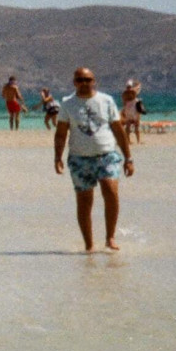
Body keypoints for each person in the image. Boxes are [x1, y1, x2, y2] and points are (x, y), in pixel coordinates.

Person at [53, 68, 133, 252]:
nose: (84, 83)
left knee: (111, 192)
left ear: (94, 81)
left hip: (107, 155)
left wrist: (129, 158)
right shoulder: (67, 104)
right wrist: (57, 157)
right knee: (84, 201)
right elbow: (61, 133)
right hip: (80, 159)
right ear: (74, 82)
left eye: (87, 79)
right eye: (80, 79)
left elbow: (118, 130)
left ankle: (110, 237)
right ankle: (89, 245)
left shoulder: (106, 101)